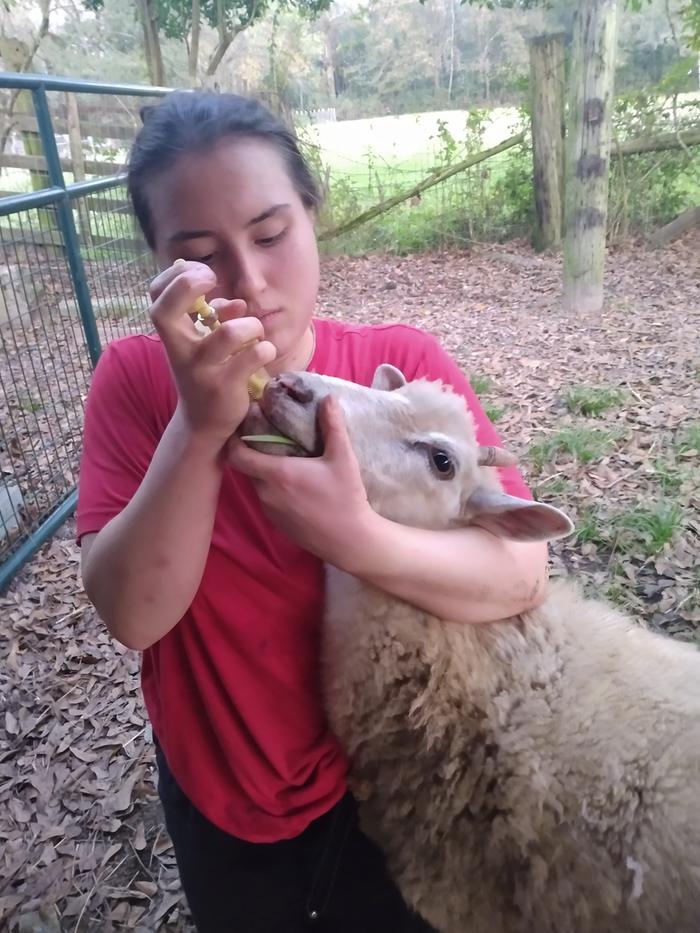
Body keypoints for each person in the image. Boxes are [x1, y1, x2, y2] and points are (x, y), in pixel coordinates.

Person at [77, 91, 548, 933]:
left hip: (385, 786)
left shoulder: (399, 368)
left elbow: (518, 571)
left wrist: (354, 537)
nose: (251, 283)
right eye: (202, 254)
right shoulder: (137, 383)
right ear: (159, 267)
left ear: (310, 215)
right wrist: (198, 421)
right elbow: (135, 614)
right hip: (224, 796)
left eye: (269, 235)